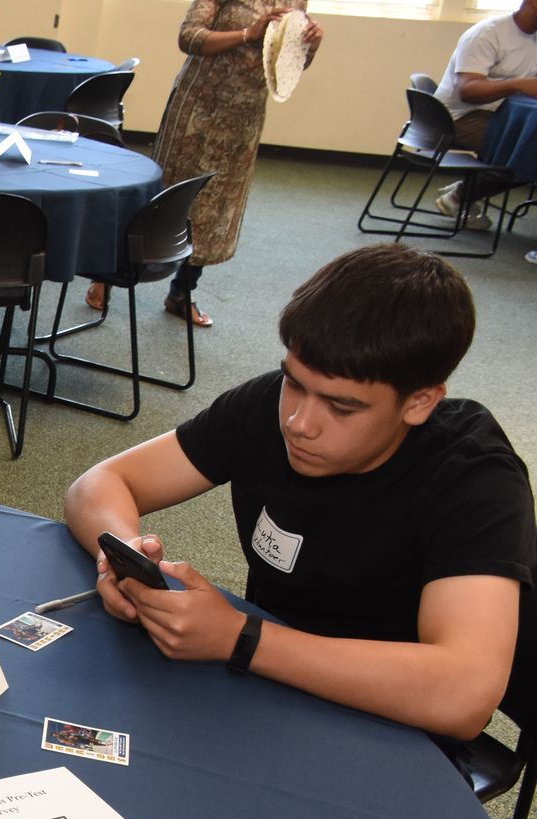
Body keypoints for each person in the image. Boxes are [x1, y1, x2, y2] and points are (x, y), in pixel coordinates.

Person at [63, 243, 534, 748]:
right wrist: (125, 555)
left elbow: (462, 696)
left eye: (342, 408)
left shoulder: (475, 478)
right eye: (295, 382)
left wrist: (241, 638)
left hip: (391, 727)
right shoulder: (268, 406)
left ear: (419, 402)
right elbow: (98, 484)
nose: (299, 423)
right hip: (266, 682)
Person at [109, 0, 324, 328]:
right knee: (167, 197)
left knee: (216, 209)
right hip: (199, 108)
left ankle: (182, 292)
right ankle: (111, 275)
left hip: (244, 118)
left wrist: (310, 46)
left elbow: (286, 62)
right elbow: (189, 37)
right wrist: (248, 33)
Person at [430, 0, 537, 223]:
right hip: (457, 119)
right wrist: (518, 84)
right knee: (528, 149)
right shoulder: (487, 34)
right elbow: (467, 91)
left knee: (528, 146)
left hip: (500, 115)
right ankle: (462, 195)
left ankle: (469, 190)